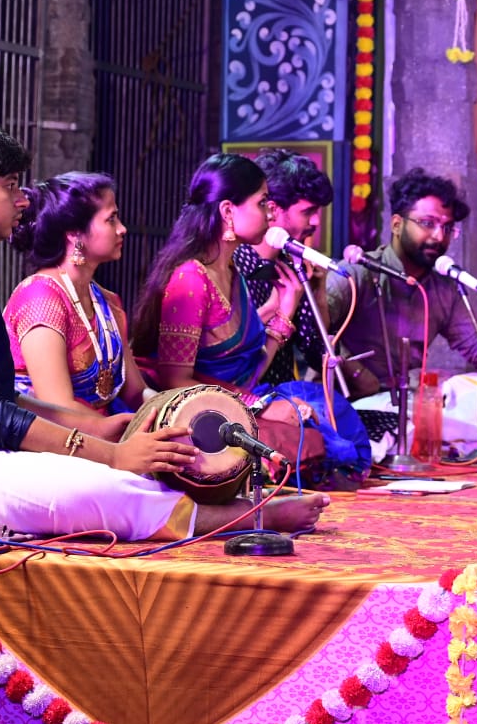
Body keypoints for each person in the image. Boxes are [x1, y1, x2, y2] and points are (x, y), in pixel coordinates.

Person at [0, 121, 328, 540]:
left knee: (116, 474)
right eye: (8, 186)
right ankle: (233, 520)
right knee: (92, 486)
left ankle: (214, 512)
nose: (22, 200)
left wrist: (94, 428)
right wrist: (111, 452)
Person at [131, 153, 369, 484]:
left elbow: (248, 372)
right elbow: (174, 383)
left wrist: (285, 312)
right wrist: (258, 406)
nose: (270, 213)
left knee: (325, 426)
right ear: (228, 211)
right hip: (194, 415)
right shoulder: (190, 280)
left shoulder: (231, 273)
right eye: (262, 203)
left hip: (234, 401)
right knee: (305, 441)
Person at [326, 167, 477, 458]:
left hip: (404, 401)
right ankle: (405, 440)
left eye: (447, 227)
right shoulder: (357, 273)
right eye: (427, 223)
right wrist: (353, 369)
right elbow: (312, 328)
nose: (438, 236)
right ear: (396, 224)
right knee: (400, 423)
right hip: (351, 401)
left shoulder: (443, 289)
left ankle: (415, 439)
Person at [3, 172, 147, 413]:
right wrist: (124, 441)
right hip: (50, 444)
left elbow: (135, 392)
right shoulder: (40, 298)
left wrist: (176, 408)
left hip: (102, 434)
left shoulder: (107, 302)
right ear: (74, 233)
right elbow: (58, 410)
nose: (122, 229)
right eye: (111, 219)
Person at [232, 148, 335, 389]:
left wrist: (317, 294)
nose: (316, 222)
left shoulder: (291, 267)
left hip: (288, 397)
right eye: (308, 211)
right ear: (273, 209)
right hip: (244, 402)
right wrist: (277, 311)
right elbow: (229, 359)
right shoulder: (234, 266)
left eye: (317, 211)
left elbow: (319, 356)